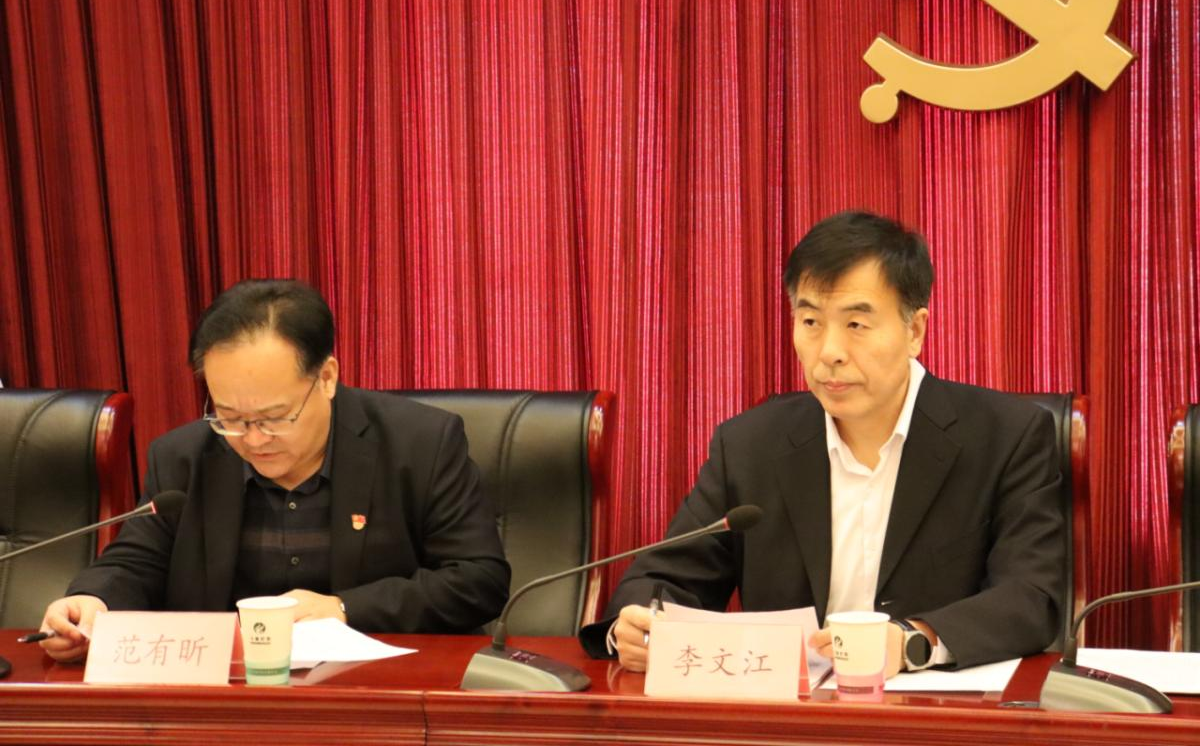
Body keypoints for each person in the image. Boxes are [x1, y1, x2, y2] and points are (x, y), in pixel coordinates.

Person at [581, 210, 1063, 676]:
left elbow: (1032, 597)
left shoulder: (1006, 436)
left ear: (914, 330)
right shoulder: (750, 445)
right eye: (811, 322)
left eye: (856, 325)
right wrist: (639, 627)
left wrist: (912, 641)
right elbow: (663, 580)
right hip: (789, 713)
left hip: (933, 709)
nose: (830, 352)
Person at [40, 279, 510, 662]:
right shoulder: (184, 456)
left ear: (327, 378)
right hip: (229, 697)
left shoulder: (420, 443)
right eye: (230, 417)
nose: (253, 439)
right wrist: (92, 601)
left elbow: (478, 580)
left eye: (274, 417)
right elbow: (137, 562)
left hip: (379, 692)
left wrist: (345, 608)